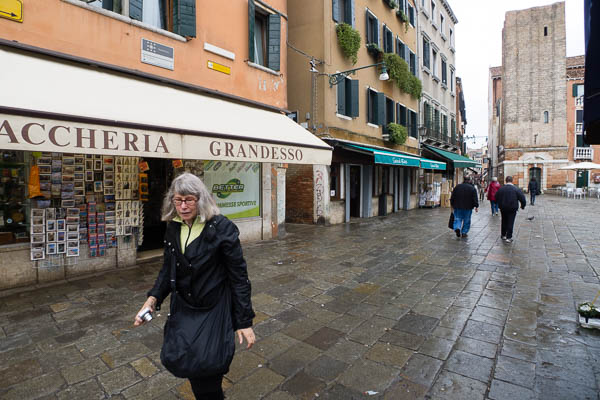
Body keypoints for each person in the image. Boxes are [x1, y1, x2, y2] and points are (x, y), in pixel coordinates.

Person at [134, 173, 255, 400]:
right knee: (185, 360)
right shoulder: (174, 227)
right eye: (178, 200)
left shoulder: (222, 228)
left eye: (189, 199)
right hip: (184, 308)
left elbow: (239, 278)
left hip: (213, 309)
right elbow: (168, 268)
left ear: (201, 199)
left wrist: (244, 321)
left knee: (208, 369)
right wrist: (152, 300)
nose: (183, 206)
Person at [495, 175, 526, 243]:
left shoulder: (501, 189)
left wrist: (498, 203)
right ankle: (508, 237)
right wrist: (522, 206)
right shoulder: (516, 189)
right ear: (512, 181)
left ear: (506, 181)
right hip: (512, 208)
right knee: (510, 222)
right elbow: (522, 198)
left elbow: (496, 197)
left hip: (503, 208)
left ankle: (503, 235)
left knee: (504, 221)